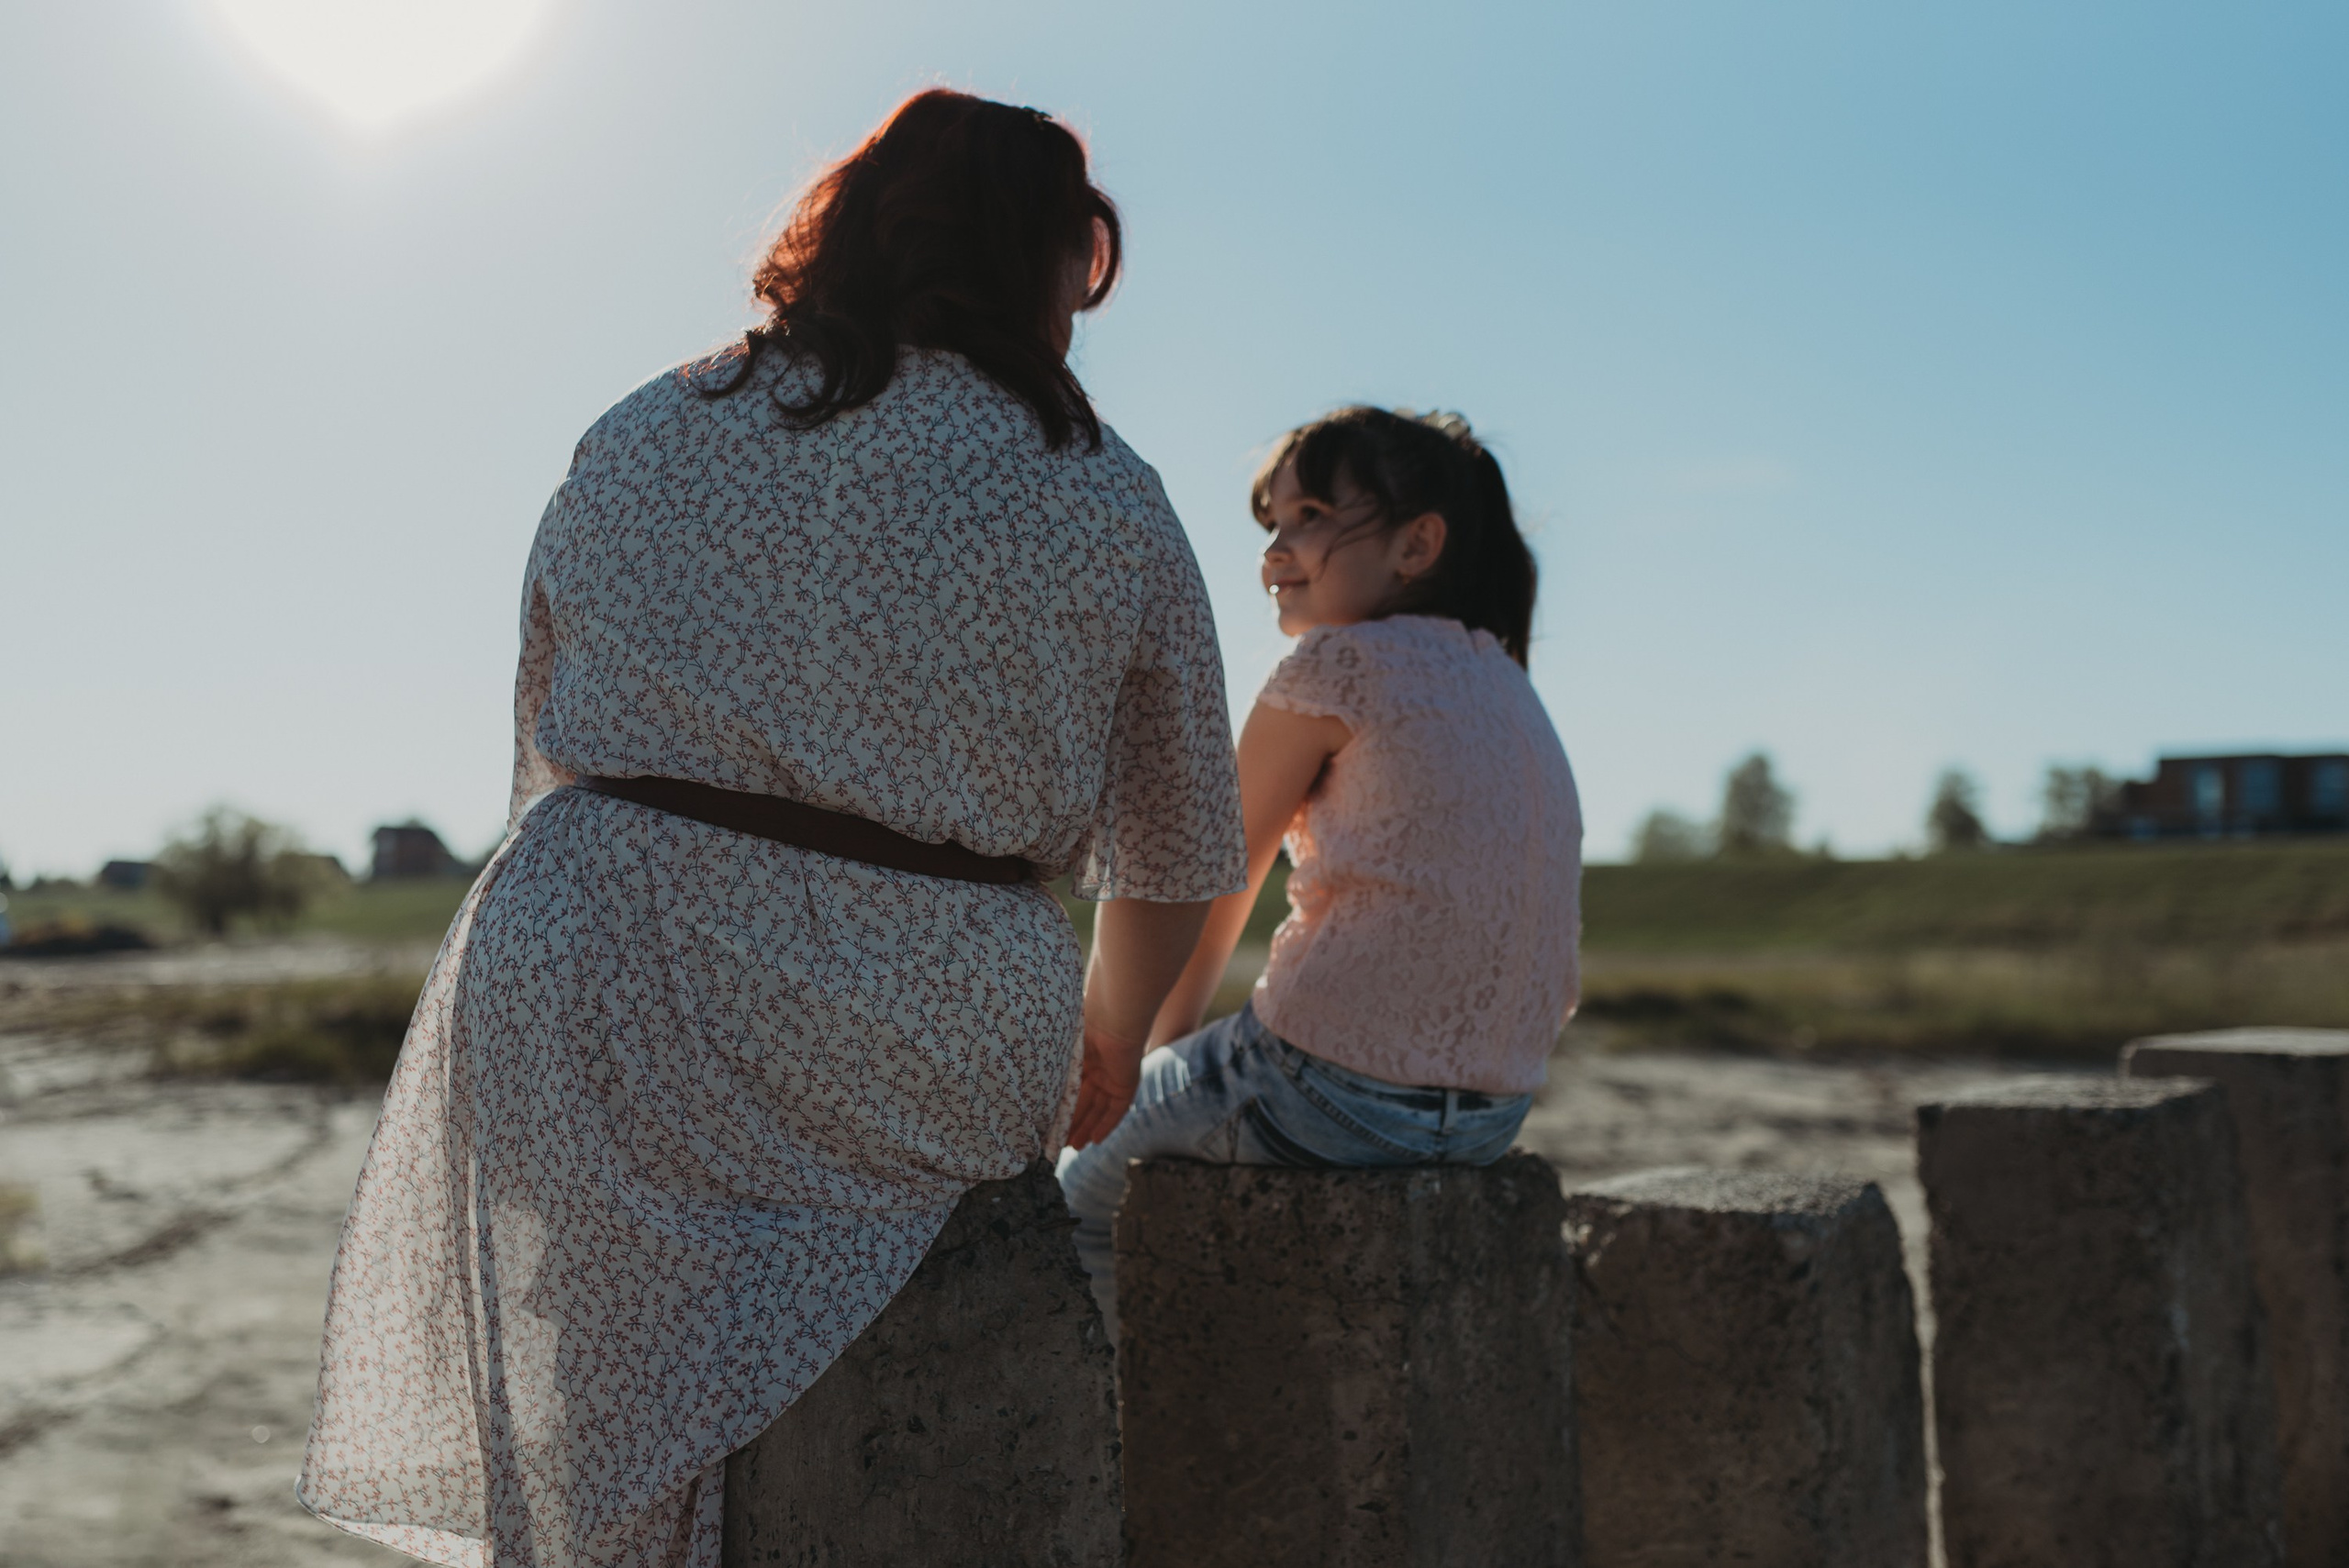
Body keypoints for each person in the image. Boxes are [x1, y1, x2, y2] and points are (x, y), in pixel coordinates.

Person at [297, 92, 1244, 1568]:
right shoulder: (1106, 493)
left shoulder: (647, 424)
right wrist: (1111, 1041)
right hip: (922, 1016)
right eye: (1082, 265)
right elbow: (1182, 839)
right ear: (1045, 263)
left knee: (593, 1395)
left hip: (593, 973)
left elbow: (551, 726)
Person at [1058, 406, 1583, 1337]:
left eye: (1308, 516)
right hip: (1493, 1112)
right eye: (1270, 526)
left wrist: (1145, 1061)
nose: (1274, 552)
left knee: (1079, 1193)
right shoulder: (1504, 679)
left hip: (1331, 1091)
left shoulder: (1333, 666)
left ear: (1417, 543)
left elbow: (1210, 880)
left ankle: (1102, 1425)